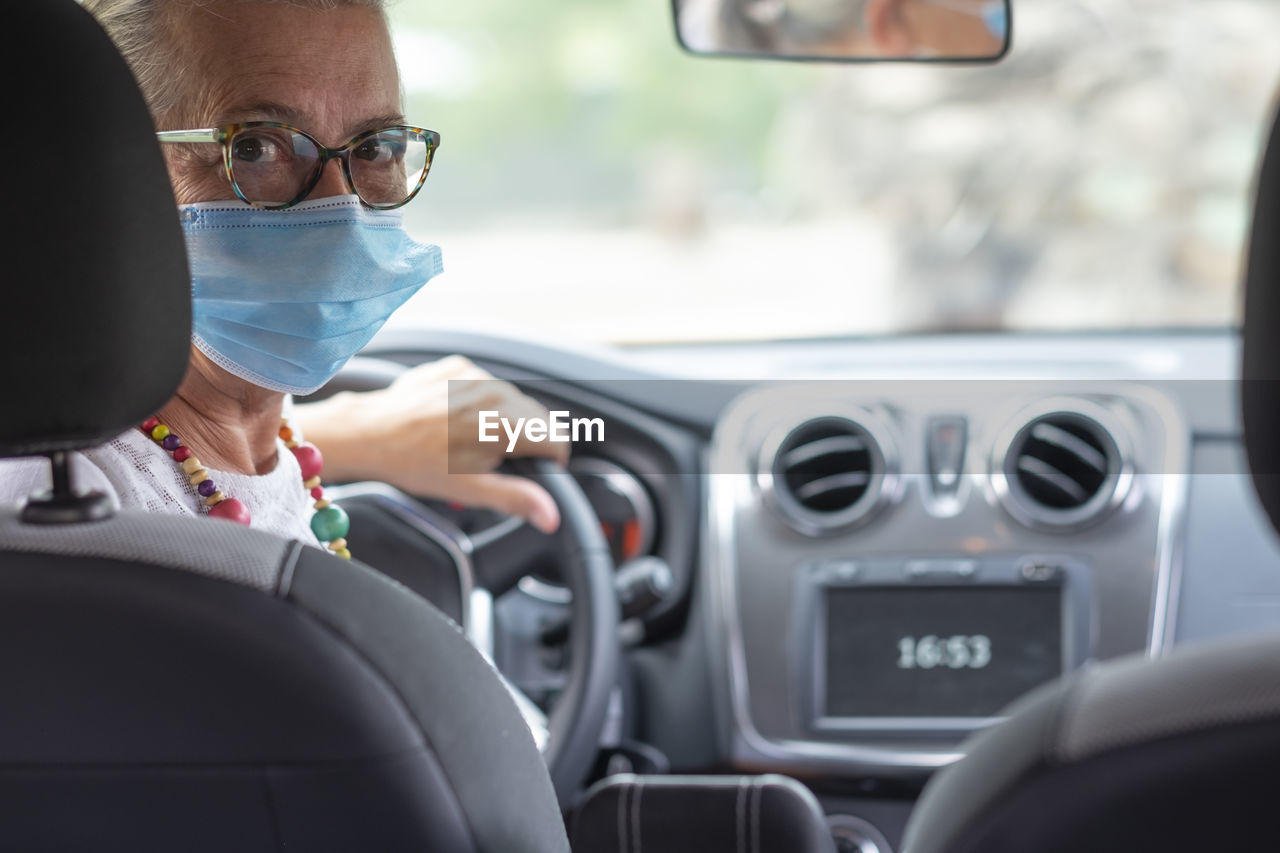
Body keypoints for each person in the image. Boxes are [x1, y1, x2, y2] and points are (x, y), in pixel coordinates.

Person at [0, 0, 567, 557]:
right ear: (111, 173)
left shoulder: (258, 438)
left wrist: (360, 435)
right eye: (254, 147)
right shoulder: (77, 515)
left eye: (377, 147)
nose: (340, 209)